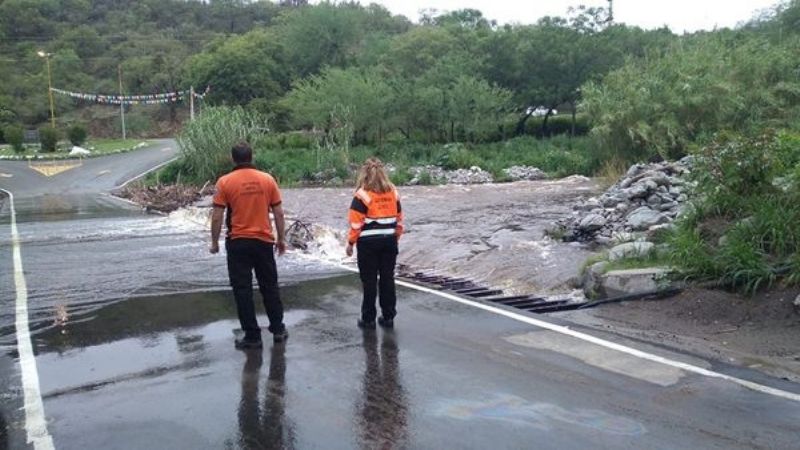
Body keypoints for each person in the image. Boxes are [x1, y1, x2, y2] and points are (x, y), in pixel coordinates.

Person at [210, 141, 288, 349]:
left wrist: (214, 242)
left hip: (238, 243)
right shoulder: (267, 179)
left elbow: (217, 216)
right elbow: (279, 213)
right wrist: (281, 239)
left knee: (242, 289)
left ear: (232, 158)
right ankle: (278, 329)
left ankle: (252, 336)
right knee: (269, 286)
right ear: (251, 157)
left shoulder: (224, 182)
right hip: (263, 242)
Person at [346, 157, 404, 329]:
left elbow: (356, 224)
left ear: (364, 174)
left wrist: (350, 243)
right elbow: (399, 220)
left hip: (368, 244)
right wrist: (395, 238)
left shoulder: (362, 195)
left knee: (369, 281)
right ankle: (388, 316)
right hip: (389, 241)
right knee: (387, 278)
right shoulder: (393, 192)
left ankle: (368, 318)